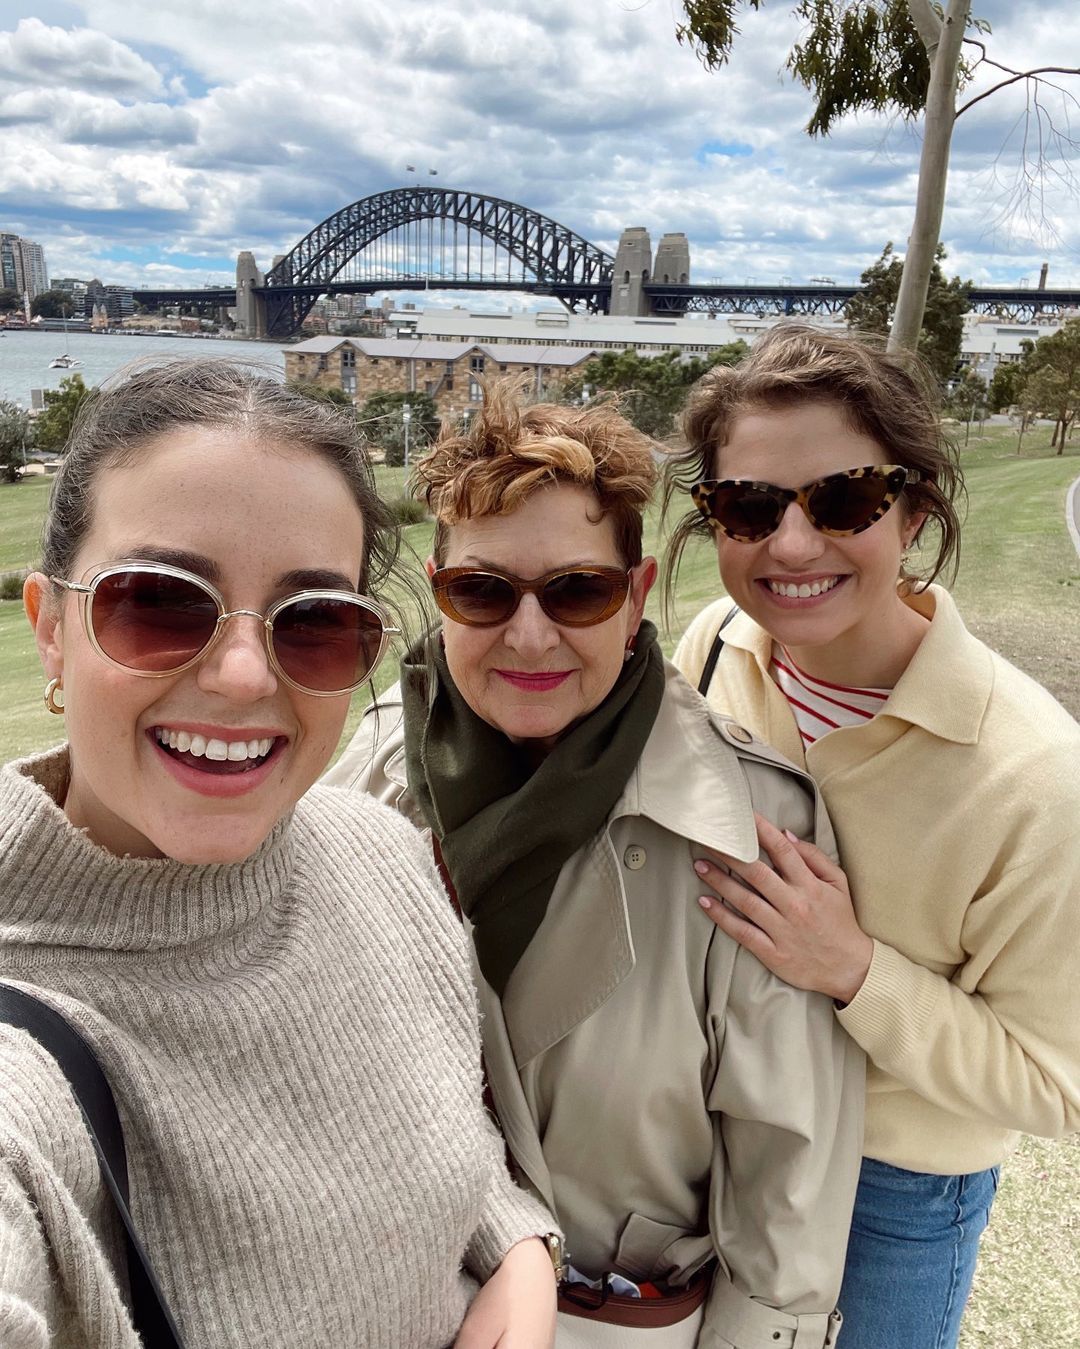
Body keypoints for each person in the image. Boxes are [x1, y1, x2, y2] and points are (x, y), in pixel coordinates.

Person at [0, 358, 561, 1349]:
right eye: (160, 601)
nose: (244, 674)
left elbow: (460, 1150)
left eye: (316, 623)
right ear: (51, 627)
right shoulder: (22, 1066)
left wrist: (520, 1254)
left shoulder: (379, 855)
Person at [327, 382, 865, 1348]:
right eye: (483, 591)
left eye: (579, 591)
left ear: (637, 595)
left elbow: (788, 1172)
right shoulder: (367, 774)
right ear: (438, 590)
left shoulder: (748, 824)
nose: (530, 635)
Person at [666, 324, 1080, 1349]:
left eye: (843, 499)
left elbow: (1056, 1083)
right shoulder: (714, 647)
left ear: (914, 510)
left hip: (888, 1187)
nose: (791, 545)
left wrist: (854, 968)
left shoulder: (1035, 775)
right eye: (749, 505)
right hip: (716, 1127)